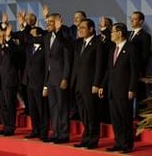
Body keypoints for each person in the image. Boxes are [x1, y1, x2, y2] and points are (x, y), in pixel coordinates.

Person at [99, 23, 138, 154]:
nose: (111, 34)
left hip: (124, 90)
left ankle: (127, 144)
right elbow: (108, 70)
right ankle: (118, 142)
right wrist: (102, 86)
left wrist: (132, 88)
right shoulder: (112, 50)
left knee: (125, 118)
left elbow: (134, 71)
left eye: (112, 32)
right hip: (112, 90)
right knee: (115, 118)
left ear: (120, 33)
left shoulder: (131, 48)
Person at [71, 19, 105, 149]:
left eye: (83, 28)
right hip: (79, 85)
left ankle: (93, 139)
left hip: (90, 85)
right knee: (83, 114)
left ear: (91, 29)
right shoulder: (79, 43)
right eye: (79, 28)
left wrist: (96, 83)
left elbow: (99, 66)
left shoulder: (98, 43)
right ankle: (85, 138)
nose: (80, 30)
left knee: (92, 113)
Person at [42, 13, 71, 144]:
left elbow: (67, 60)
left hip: (60, 78)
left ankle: (64, 134)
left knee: (62, 106)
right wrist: (45, 84)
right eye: (47, 22)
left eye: (50, 22)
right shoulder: (47, 37)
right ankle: (56, 132)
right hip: (50, 78)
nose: (47, 24)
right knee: (53, 107)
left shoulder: (65, 35)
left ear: (58, 23)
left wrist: (65, 77)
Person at [0, 23, 20, 136]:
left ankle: (10, 127)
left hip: (10, 80)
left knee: (10, 105)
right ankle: (5, 126)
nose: (0, 37)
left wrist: (7, 41)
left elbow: (12, 56)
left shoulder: (12, 46)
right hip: (0, 81)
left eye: (2, 35)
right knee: (2, 106)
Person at [22, 27, 49, 140]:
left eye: (32, 34)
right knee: (32, 109)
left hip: (40, 83)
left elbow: (47, 68)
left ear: (39, 36)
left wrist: (45, 85)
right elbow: (24, 39)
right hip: (29, 83)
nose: (30, 37)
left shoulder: (45, 49)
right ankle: (35, 130)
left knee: (41, 109)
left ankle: (43, 132)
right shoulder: (29, 48)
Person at [128, 11, 151, 112]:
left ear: (141, 21)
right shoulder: (128, 34)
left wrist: (138, 70)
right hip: (127, 71)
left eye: (135, 19)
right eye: (131, 18)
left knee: (140, 96)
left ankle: (141, 120)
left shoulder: (145, 36)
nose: (131, 20)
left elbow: (144, 56)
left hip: (138, 71)